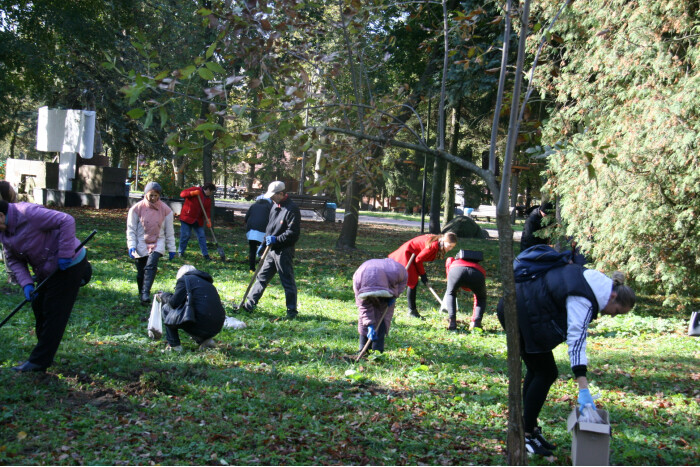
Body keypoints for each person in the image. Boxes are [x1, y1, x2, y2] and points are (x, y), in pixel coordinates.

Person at [496, 265, 635, 456]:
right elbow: (576, 339)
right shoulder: (585, 297)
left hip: (520, 306)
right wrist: (583, 387)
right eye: (617, 311)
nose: (612, 315)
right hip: (519, 311)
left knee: (539, 370)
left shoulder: (595, 281)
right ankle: (526, 434)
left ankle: (528, 430)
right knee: (545, 372)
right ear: (613, 297)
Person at [0, 200, 91, 372]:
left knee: (54, 311)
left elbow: (66, 220)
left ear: (1, 216)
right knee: (39, 306)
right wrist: (26, 283)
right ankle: (45, 350)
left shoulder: (28, 213)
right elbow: (13, 259)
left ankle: (39, 361)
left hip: (70, 263)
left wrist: (65, 254)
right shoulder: (4, 233)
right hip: (46, 269)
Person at [238, 181, 300, 319]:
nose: (271, 198)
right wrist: (265, 242)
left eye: (274, 195)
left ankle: (292, 311)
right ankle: (249, 305)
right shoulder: (274, 205)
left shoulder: (291, 209)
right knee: (261, 277)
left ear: (281, 193)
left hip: (284, 251)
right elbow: (270, 228)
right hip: (270, 250)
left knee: (287, 280)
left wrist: (276, 240)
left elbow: (293, 233)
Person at [127, 181, 176, 305]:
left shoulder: (166, 210)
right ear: (145, 194)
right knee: (141, 272)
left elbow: (169, 231)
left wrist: (171, 248)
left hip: (158, 240)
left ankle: (145, 293)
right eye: (151, 195)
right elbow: (131, 229)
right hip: (141, 241)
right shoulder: (136, 209)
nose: (153, 198)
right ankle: (141, 292)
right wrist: (131, 245)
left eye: (156, 195)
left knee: (151, 266)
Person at [156, 265, 225, 351]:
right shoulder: (207, 282)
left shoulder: (184, 279)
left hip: (200, 324)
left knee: (166, 308)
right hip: (217, 325)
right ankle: (206, 340)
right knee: (196, 313)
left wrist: (164, 295)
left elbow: (174, 303)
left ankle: (174, 345)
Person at [388, 232, 457, 318]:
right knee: (412, 282)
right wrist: (423, 275)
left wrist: (422, 274)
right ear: (444, 240)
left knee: (412, 281)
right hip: (407, 254)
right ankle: (412, 310)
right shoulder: (433, 246)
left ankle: (411, 310)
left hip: (413, 254)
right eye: (449, 245)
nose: (450, 249)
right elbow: (418, 260)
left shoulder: (438, 241)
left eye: (452, 247)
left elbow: (419, 258)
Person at [353, 258, 408, 353]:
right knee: (364, 320)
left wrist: (395, 294)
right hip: (367, 285)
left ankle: (378, 350)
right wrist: (369, 325)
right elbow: (363, 306)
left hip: (388, 288)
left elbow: (403, 282)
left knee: (383, 316)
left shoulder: (397, 271)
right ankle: (363, 349)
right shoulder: (358, 280)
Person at [443, 252, 487, 331]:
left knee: (451, 294)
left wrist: (454, 287)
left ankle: (452, 322)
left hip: (456, 271)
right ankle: (476, 323)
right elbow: (477, 297)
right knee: (481, 298)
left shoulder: (452, 261)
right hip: (477, 273)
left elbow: (449, 276)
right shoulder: (478, 266)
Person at [178, 182, 217, 260]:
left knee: (202, 236)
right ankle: (180, 252)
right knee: (185, 235)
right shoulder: (195, 190)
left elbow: (207, 211)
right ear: (208, 189)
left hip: (197, 220)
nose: (212, 193)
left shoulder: (208, 200)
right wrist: (192, 193)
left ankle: (205, 255)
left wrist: (208, 220)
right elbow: (182, 194)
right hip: (187, 217)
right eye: (211, 191)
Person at [244, 194, 272, 272]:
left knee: (252, 250)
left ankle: (251, 268)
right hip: (263, 231)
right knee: (263, 250)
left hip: (251, 231)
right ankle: (262, 269)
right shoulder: (270, 207)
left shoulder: (253, 206)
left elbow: (246, 218)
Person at [0, 181, 19, 285]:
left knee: (8, 246)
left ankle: (13, 276)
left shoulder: (6, 188)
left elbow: (14, 205)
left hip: (8, 219)